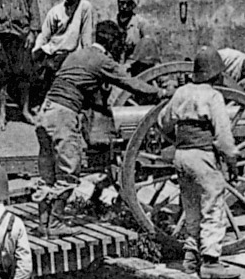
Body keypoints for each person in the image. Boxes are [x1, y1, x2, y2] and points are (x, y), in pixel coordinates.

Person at [34, 22, 155, 225]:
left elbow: (83, 92)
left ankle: (44, 224)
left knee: (48, 174)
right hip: (63, 115)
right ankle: (54, 224)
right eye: (119, 43)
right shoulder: (102, 60)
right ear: (112, 42)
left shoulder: (77, 54)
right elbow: (131, 84)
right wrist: (160, 93)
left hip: (45, 112)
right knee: (69, 171)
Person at [153, 46, 243, 279]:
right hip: (203, 156)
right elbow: (223, 135)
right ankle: (212, 262)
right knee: (213, 205)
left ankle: (191, 257)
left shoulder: (182, 92)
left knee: (191, 206)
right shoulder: (213, 96)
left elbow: (163, 121)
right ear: (217, 74)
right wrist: (231, 159)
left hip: (182, 156)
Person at [33, 0, 95, 96]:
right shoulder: (56, 11)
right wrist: (36, 50)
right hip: (54, 50)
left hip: (72, 53)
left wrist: (87, 55)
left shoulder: (85, 7)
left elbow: (86, 34)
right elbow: (44, 34)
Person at [113, 0, 152, 73]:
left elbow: (146, 48)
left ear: (134, 5)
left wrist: (130, 64)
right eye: (122, 3)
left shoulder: (141, 24)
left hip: (135, 67)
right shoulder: (112, 23)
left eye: (128, 4)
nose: (124, 7)